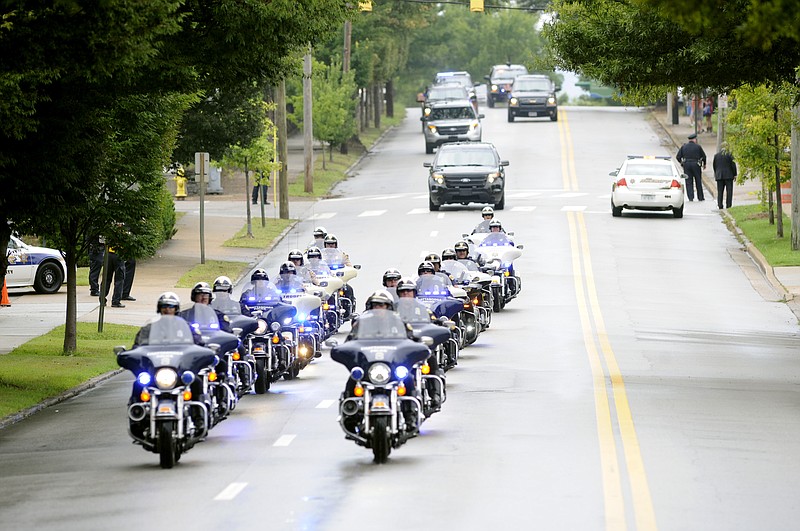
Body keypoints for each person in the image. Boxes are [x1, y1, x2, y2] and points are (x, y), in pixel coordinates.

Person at [676, 133, 707, 202]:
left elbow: (678, 157)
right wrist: (704, 164)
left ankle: (690, 197)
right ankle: (700, 197)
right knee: (698, 181)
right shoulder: (698, 147)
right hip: (696, 164)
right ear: (694, 139)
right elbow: (704, 156)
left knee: (688, 181)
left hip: (686, 165)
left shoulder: (684, 147)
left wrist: (682, 163)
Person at [713, 143, 737, 209]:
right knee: (729, 191)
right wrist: (735, 174)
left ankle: (720, 204)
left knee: (720, 191)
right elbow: (733, 165)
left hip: (719, 175)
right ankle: (728, 205)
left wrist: (716, 173)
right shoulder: (729, 155)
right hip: (728, 175)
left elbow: (714, 166)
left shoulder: (716, 156)